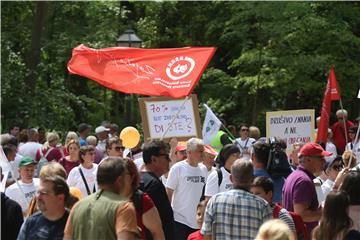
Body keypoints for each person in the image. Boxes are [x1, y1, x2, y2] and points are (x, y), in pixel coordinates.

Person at [64, 157, 139, 240]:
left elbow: (67, 237)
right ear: (119, 180)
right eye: (126, 176)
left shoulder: (77, 206)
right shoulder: (124, 208)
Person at [201, 159, 272, 239]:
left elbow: (207, 235)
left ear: (231, 178)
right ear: (252, 179)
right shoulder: (263, 206)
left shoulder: (214, 202)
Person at [282, 142, 331, 235]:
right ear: (308, 159)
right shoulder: (304, 181)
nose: (324, 161)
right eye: (321, 158)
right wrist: (326, 212)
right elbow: (301, 215)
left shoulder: (295, 176)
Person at [166, 138, 207, 240]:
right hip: (180, 220)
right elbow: (169, 192)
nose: (203, 154)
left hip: (198, 222)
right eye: (199, 151)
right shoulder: (177, 168)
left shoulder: (203, 169)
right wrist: (167, 215)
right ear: (189, 152)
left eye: (203, 151)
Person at [140, 140, 175, 240]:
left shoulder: (139, 180)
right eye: (166, 157)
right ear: (154, 159)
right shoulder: (154, 185)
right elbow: (158, 221)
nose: (169, 160)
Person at [122, 158, 165, 240]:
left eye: (122, 175)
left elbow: (157, 232)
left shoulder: (141, 200)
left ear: (132, 177)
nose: (118, 179)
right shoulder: (108, 198)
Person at [17, 176, 70, 240]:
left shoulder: (74, 223)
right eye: (38, 192)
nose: (38, 197)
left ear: (60, 198)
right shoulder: (31, 222)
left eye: (43, 193)